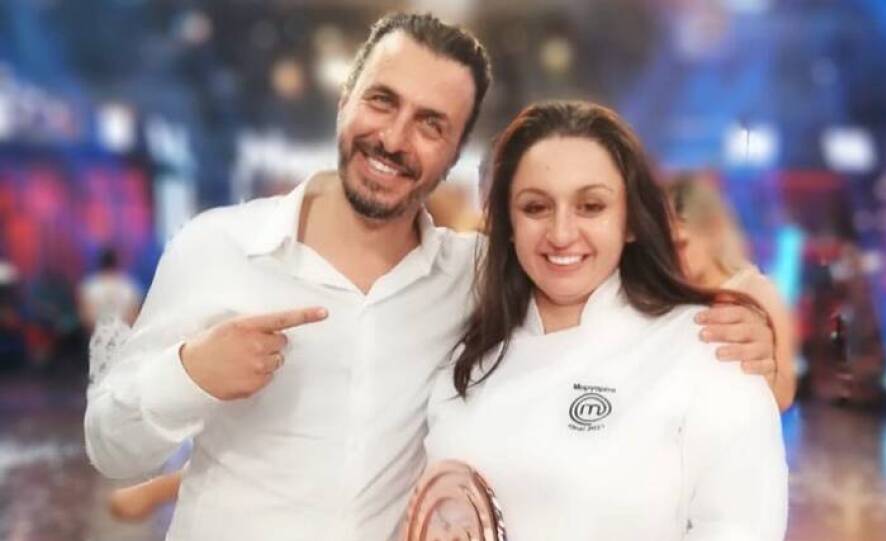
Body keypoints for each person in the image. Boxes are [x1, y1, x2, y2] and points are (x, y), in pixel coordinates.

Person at [86, 13, 777, 541]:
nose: (394, 138)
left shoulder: (469, 277)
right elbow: (110, 448)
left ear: (452, 154)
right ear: (346, 99)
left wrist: (747, 331)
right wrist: (191, 373)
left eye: (430, 124)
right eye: (381, 101)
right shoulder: (216, 246)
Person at [424, 101, 787, 540]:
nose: (561, 233)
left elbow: (741, 528)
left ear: (631, 221)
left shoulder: (711, 350)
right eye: (535, 207)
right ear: (509, 225)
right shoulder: (467, 356)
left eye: (591, 206)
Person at [666, 173, 797, 411]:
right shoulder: (667, 295)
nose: (672, 257)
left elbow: (784, 394)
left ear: (714, 230)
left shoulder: (758, 291)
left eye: (681, 244)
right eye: (665, 247)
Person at [78, 248, 143, 331]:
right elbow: (134, 315)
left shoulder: (90, 286)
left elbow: (86, 317)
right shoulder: (129, 285)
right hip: (124, 333)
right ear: (116, 263)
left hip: (99, 333)